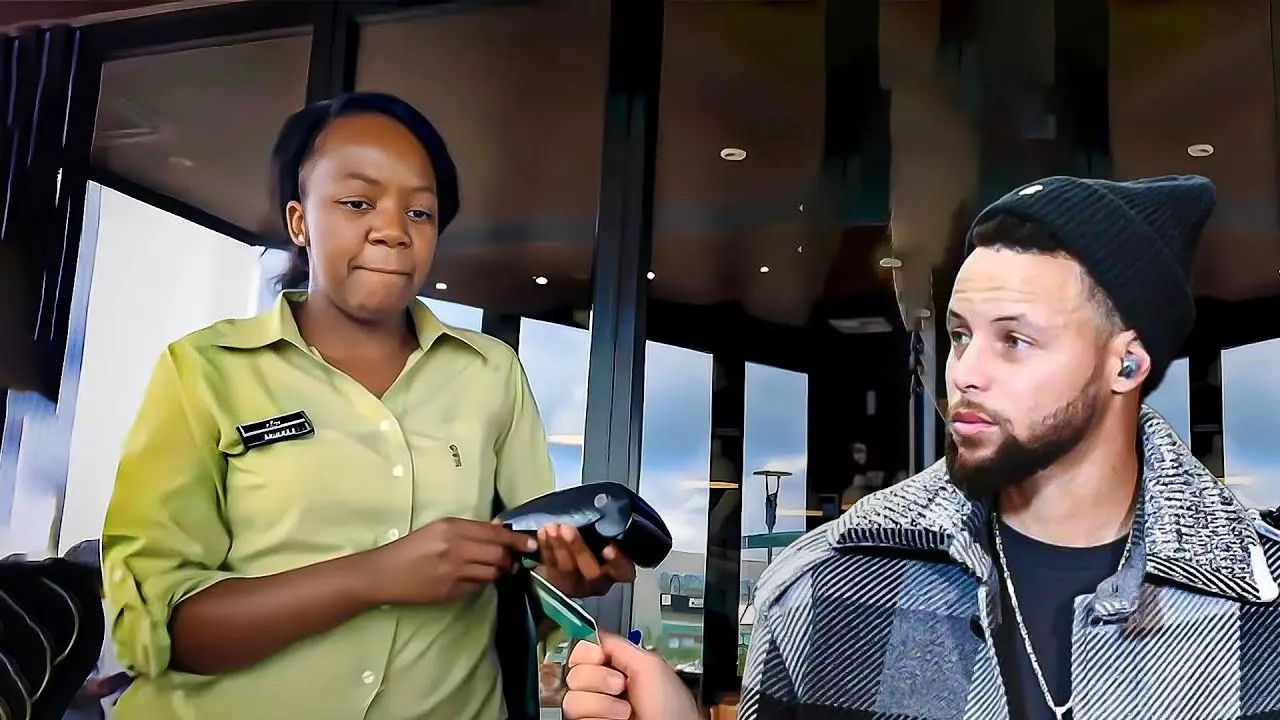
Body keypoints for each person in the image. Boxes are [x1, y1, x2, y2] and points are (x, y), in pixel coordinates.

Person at [561, 175, 1280, 720]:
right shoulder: (824, 586)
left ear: (1126, 364)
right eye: (962, 334)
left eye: (1015, 339)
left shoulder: (1265, 599)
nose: (963, 371)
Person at [100, 92, 634, 720]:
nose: (392, 230)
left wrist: (564, 581)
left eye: (421, 212)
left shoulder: (491, 375)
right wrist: (375, 575)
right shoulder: (204, 371)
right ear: (299, 222)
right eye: (357, 203)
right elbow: (153, 631)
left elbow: (530, 567)